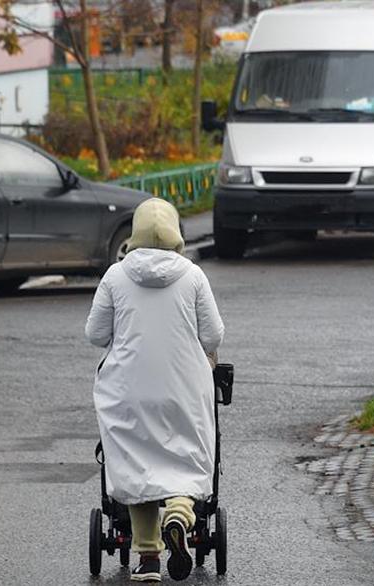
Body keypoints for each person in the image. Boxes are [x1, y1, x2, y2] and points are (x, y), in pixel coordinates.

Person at [85, 198, 224, 583]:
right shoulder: (193, 275)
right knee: (182, 459)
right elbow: (213, 335)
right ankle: (179, 514)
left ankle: (147, 559)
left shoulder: (116, 275)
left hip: (127, 390)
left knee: (136, 464)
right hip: (183, 388)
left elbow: (95, 334)